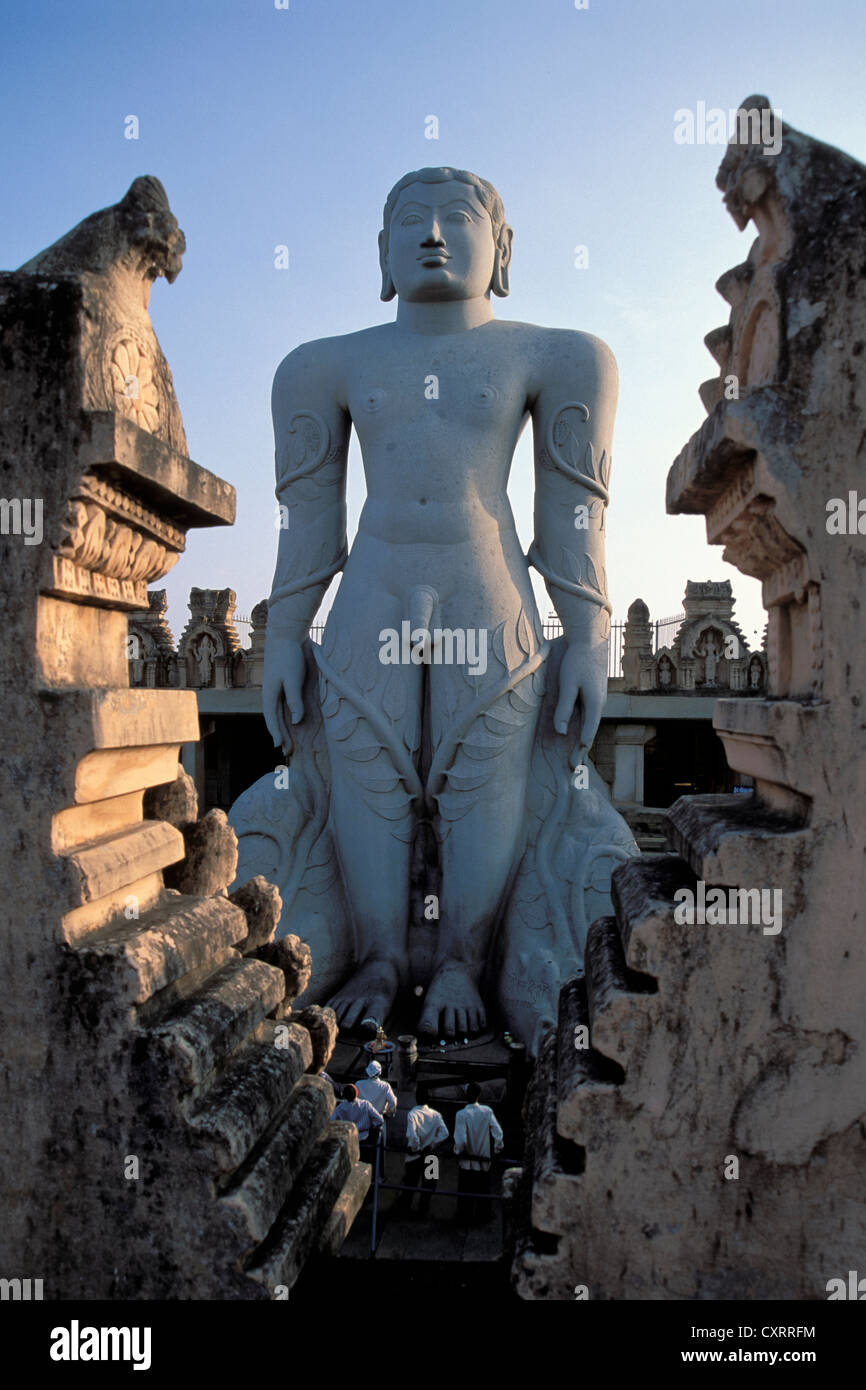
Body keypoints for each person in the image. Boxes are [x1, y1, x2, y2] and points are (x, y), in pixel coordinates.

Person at [262, 166, 617, 1041]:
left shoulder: (558, 355)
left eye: (457, 218)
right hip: (372, 590)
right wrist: (281, 630)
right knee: (366, 776)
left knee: (487, 773)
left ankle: (466, 954)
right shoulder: (321, 365)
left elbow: (572, 508)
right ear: (380, 254)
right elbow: (308, 517)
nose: (431, 234)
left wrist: (589, 629)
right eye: (409, 222)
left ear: (502, 249)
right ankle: (378, 955)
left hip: (484, 587)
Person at [453, 1081, 503, 1225]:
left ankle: (464, 1217)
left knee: (465, 1193)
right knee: (483, 1191)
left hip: (468, 1162)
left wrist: (457, 1151)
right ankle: (483, 1216)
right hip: (483, 1159)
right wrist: (497, 1150)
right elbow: (498, 1133)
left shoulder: (461, 1115)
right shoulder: (487, 1111)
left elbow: (461, 1140)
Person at [395, 1084, 448, 1217]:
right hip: (431, 1155)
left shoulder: (412, 1114)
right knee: (429, 1184)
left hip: (414, 1156)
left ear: (416, 1098)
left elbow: (412, 1135)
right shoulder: (436, 1115)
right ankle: (423, 1209)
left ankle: (405, 1208)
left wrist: (416, 1148)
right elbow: (445, 1133)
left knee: (410, 1183)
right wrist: (432, 1145)